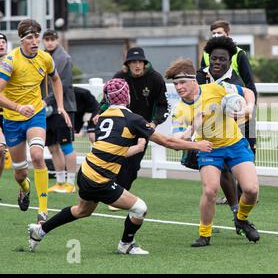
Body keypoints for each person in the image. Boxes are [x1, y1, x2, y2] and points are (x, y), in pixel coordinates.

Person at [27, 78, 213, 254]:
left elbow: (113, 150)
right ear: (127, 97)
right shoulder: (132, 119)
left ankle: (40, 231)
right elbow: (167, 142)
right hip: (100, 179)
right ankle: (126, 244)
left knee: (81, 211)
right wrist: (197, 145)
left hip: (86, 172)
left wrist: (137, 147)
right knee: (140, 208)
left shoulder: (102, 117)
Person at [168, 58, 260, 247]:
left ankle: (241, 219)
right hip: (209, 149)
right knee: (210, 190)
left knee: (251, 190)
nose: (178, 87)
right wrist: (193, 128)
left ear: (194, 79)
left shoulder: (216, 88)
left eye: (182, 82)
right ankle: (204, 234)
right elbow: (177, 142)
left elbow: (248, 92)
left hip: (235, 144)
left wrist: (248, 107)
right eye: (175, 83)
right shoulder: (179, 110)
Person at [0, 19, 72, 223]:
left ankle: (42, 211)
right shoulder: (10, 61)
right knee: (20, 173)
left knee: (38, 155)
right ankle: (25, 188)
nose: (35, 41)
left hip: (35, 114)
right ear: (21, 40)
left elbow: (56, 79)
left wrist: (60, 105)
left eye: (36, 37)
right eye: (30, 37)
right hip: (13, 119)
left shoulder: (45, 58)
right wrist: (17, 107)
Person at [96, 47, 170, 211]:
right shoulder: (119, 77)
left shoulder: (156, 78)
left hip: (142, 127)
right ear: (127, 64)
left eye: (140, 62)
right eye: (133, 62)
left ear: (144, 63)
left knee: (133, 165)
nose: (137, 65)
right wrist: (98, 114)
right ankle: (113, 193)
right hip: (120, 125)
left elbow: (163, 105)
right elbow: (106, 100)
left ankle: (121, 194)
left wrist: (154, 123)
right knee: (117, 159)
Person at [197, 36, 257, 215]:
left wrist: (248, 109)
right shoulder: (200, 78)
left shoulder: (235, 83)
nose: (217, 62)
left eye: (222, 59)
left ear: (230, 60)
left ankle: (240, 212)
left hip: (239, 126)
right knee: (220, 170)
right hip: (208, 133)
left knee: (241, 172)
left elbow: (250, 92)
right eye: (214, 58)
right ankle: (234, 209)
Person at [42, 29, 77, 194]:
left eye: (52, 39)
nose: (49, 42)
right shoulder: (42, 56)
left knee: (66, 145)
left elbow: (60, 84)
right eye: (46, 39)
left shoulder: (63, 58)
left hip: (64, 108)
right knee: (52, 146)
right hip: (46, 108)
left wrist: (45, 101)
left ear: (57, 40)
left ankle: (71, 182)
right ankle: (60, 182)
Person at [0, 32, 8, 177]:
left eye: (3, 42)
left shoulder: (14, 62)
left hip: (12, 114)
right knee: (0, 149)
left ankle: (24, 186)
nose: (1, 44)